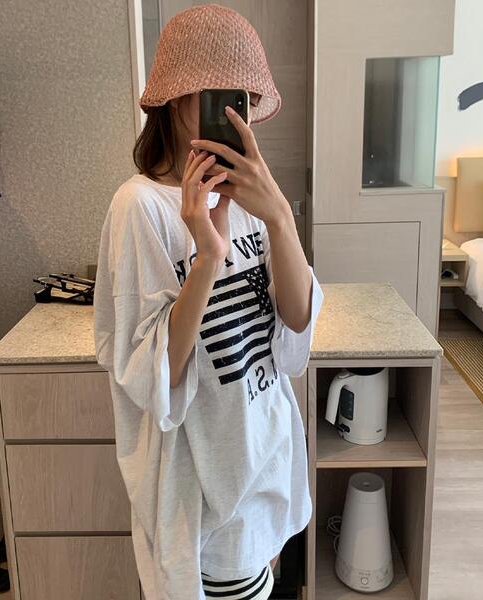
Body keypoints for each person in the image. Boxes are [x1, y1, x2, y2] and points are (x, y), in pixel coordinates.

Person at [94, 4, 323, 599]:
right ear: (176, 100)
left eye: (242, 99)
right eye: (220, 97)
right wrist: (207, 257)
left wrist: (280, 217)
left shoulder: (250, 196)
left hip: (264, 467)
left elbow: (296, 327)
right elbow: (154, 374)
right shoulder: (140, 207)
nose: (234, 115)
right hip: (201, 496)